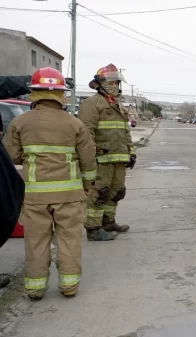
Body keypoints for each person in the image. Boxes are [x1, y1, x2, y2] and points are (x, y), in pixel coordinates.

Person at [2, 67, 98, 300]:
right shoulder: (74, 124)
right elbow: (88, 159)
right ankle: (69, 286)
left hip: (35, 197)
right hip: (69, 196)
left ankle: (35, 289)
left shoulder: (19, 122)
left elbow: (11, 156)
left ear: (34, 93)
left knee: (36, 241)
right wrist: (87, 184)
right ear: (60, 94)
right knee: (69, 240)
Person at [79, 64, 136, 237]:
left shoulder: (117, 105)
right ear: (102, 83)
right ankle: (93, 229)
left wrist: (131, 152)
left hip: (119, 158)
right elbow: (86, 132)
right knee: (100, 193)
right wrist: (91, 153)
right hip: (101, 159)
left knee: (116, 192)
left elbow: (124, 132)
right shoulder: (92, 104)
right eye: (113, 82)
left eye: (118, 83)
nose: (116, 86)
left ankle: (108, 223)